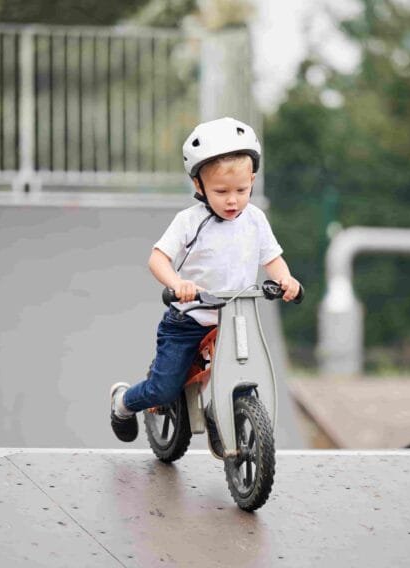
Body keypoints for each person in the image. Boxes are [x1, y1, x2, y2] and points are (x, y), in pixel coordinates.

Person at [109, 117, 300, 456]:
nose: (232, 201)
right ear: (199, 185)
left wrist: (285, 279)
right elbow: (158, 259)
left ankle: (222, 416)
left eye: (241, 190)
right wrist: (178, 284)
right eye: (221, 192)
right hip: (189, 320)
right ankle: (123, 402)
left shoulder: (255, 219)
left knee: (245, 371)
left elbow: (272, 259)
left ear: (252, 180)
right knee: (163, 389)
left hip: (235, 319)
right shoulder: (189, 222)